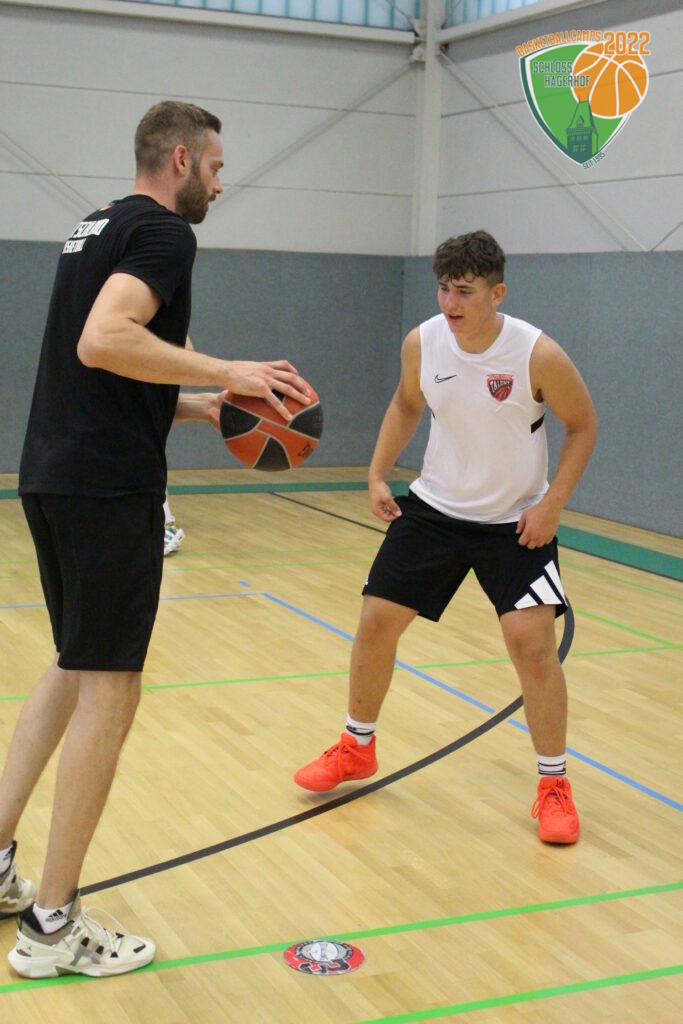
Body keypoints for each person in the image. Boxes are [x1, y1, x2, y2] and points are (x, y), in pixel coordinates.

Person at [0, 100, 310, 978]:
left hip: (53, 473)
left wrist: (203, 404)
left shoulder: (94, 226)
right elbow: (105, 341)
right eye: (215, 165)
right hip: (107, 490)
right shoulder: (167, 234)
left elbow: (103, 368)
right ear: (179, 160)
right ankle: (53, 925)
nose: (220, 180)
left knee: (72, 666)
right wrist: (228, 368)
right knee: (112, 691)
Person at [295, 230, 597, 846]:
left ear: (496, 293)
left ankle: (554, 785)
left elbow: (584, 425)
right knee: (376, 621)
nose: (450, 303)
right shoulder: (424, 342)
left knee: (532, 647)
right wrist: (377, 472)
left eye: (464, 291)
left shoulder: (536, 353)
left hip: (514, 521)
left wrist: (551, 506)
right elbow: (407, 403)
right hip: (434, 510)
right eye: (443, 289)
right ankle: (356, 746)